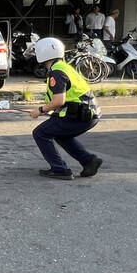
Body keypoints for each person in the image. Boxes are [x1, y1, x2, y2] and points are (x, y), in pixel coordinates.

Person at [30, 37, 103, 180]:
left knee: (40, 133)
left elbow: (59, 100)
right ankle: (89, 161)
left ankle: (59, 169)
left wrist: (40, 110)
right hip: (86, 113)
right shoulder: (63, 67)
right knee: (60, 134)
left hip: (82, 114)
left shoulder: (56, 72)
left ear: (43, 53)